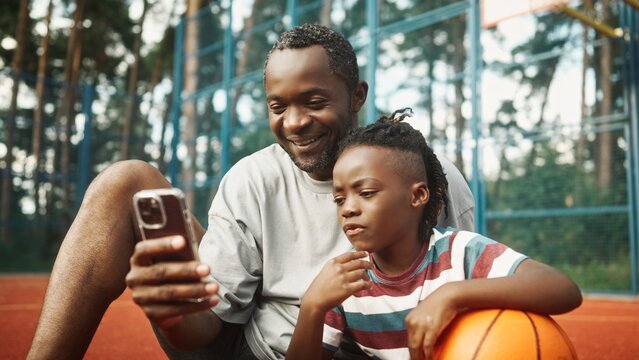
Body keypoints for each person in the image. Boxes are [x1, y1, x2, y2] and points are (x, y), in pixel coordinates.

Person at [27, 24, 474, 360]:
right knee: (124, 181)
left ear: (356, 95)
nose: (295, 122)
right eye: (278, 106)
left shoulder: (430, 177)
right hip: (259, 350)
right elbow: (205, 335)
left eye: (315, 102)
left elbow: (469, 286)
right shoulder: (253, 178)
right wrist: (174, 312)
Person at [286, 110, 582, 360]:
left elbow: (563, 289)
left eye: (366, 193)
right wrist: (313, 306)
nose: (348, 209)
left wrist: (451, 295)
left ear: (417, 196)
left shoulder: (459, 253)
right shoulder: (346, 281)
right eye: (339, 199)